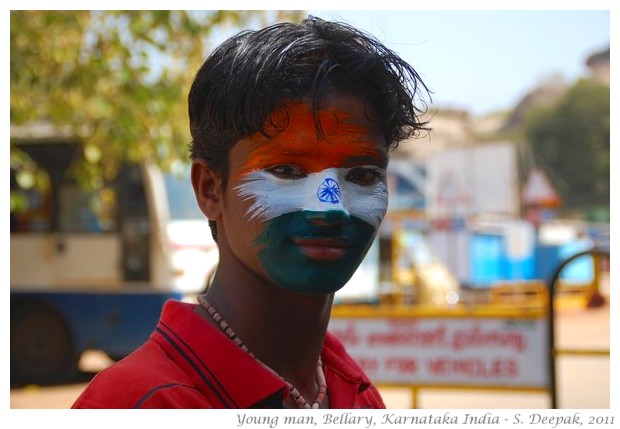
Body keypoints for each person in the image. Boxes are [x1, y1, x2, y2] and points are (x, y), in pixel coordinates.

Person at [72, 15, 429, 409]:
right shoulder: (135, 403)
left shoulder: (354, 392)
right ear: (210, 189)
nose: (331, 207)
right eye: (287, 171)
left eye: (361, 175)